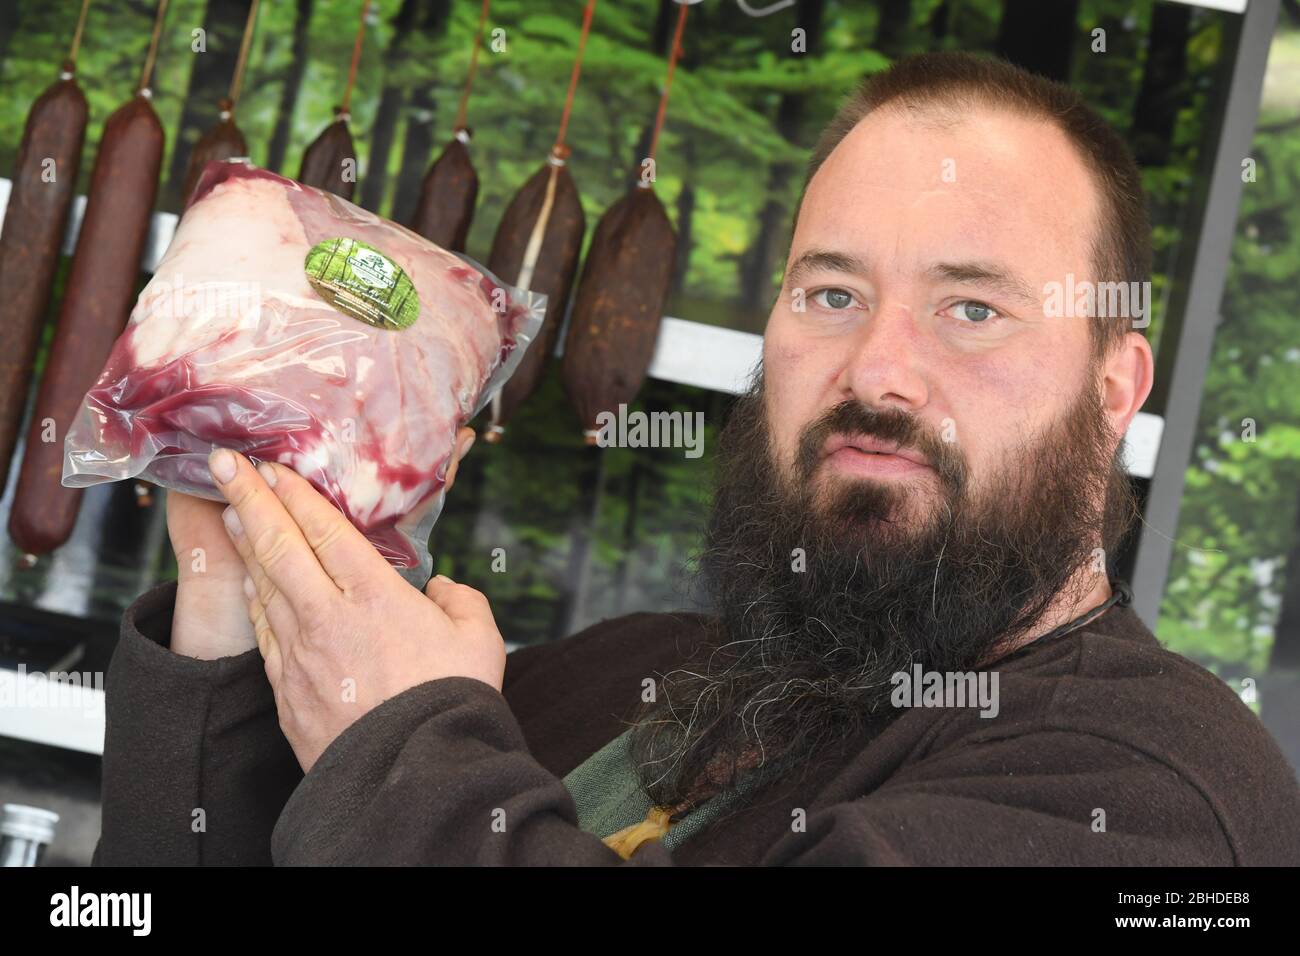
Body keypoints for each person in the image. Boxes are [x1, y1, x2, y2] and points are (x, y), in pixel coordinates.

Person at [93, 51, 1300, 866]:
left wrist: (406, 741)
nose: (877, 371)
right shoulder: (631, 672)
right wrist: (233, 597)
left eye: (970, 308)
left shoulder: (1163, 796)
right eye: (831, 291)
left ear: (1113, 389)